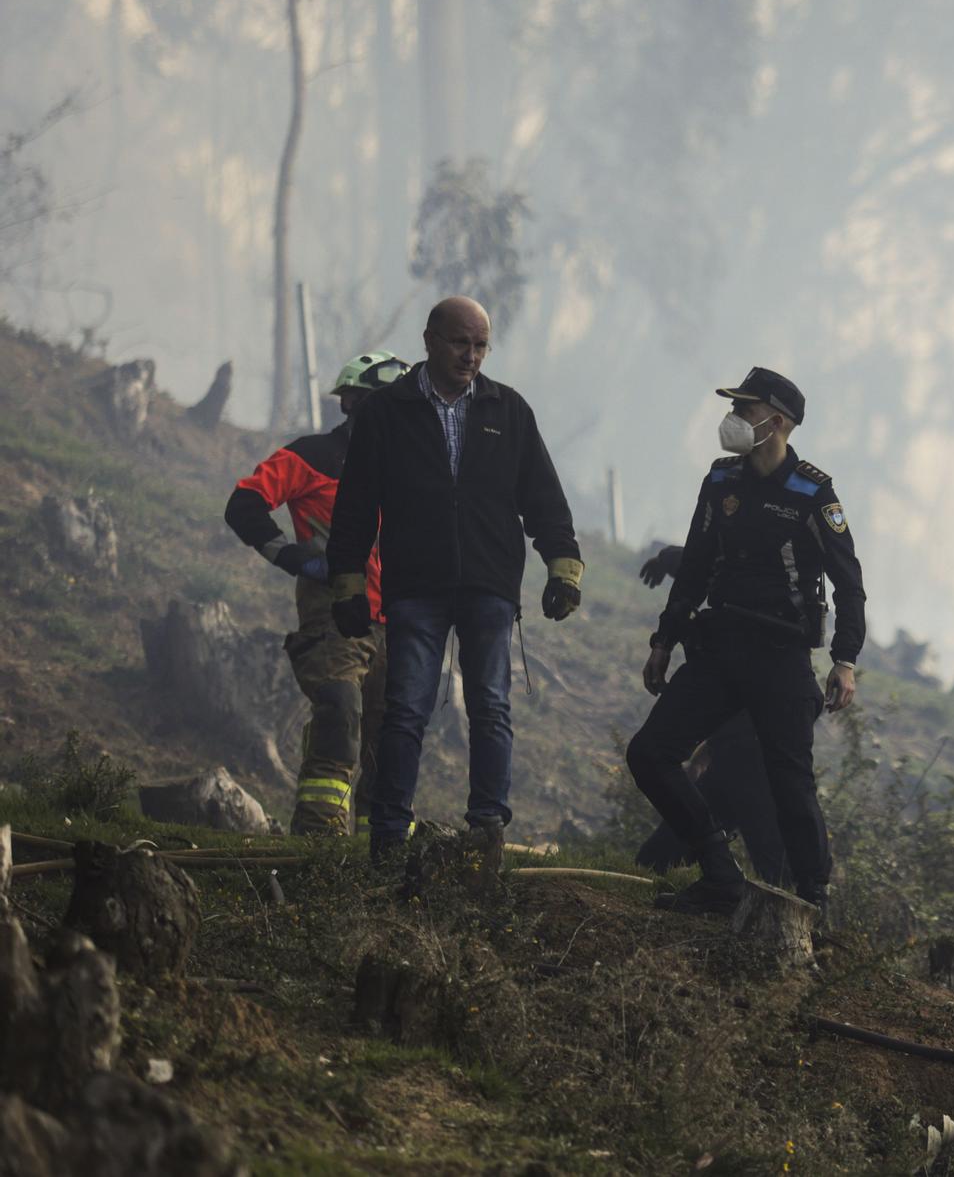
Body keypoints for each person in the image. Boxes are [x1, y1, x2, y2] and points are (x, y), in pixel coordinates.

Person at [325, 296, 583, 864]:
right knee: (406, 709)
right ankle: (389, 834)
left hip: (490, 587)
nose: (471, 356)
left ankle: (485, 830)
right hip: (415, 585)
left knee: (491, 706)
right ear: (430, 340)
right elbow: (355, 507)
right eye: (461, 343)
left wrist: (563, 565)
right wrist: (346, 581)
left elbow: (543, 497)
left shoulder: (508, 410)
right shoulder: (386, 413)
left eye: (481, 345)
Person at [625, 366, 865, 916]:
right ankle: (718, 870)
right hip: (720, 648)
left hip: (781, 658)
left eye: (746, 409)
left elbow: (850, 585)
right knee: (650, 754)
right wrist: (664, 639)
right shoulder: (720, 481)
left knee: (790, 782)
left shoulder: (813, 493)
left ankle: (812, 905)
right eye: (734, 407)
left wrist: (844, 660)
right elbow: (695, 566)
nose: (734, 418)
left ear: (777, 422)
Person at [224, 351, 408, 835]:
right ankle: (320, 838)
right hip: (335, 618)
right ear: (350, 402)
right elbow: (244, 504)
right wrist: (294, 557)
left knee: (392, 739)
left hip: (403, 625)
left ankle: (386, 847)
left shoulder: (415, 471)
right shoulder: (314, 455)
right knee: (340, 717)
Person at [633, 543, 789, 887]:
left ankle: (794, 921)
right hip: (729, 763)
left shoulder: (767, 628)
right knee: (657, 857)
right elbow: (701, 560)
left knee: (775, 868)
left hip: (755, 766)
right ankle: (718, 885)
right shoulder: (727, 623)